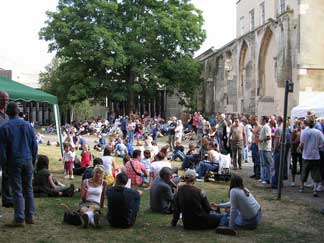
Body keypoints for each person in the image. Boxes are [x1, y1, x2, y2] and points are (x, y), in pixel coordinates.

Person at [0, 102, 38, 226]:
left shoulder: (5, 128)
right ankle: (30, 216)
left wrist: (4, 165)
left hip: (14, 161)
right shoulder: (28, 125)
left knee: (17, 190)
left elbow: (2, 150)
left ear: (7, 112)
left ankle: (19, 218)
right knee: (28, 188)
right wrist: (33, 160)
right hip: (27, 160)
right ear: (18, 112)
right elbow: (34, 145)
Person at [298, 115, 324, 197]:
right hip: (315, 155)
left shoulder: (305, 131)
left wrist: (299, 148)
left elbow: (302, 143)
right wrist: (317, 146)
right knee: (315, 172)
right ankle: (315, 190)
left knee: (304, 171)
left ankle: (302, 187)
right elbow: (322, 143)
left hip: (307, 155)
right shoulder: (318, 132)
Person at [0, 91, 13, 209]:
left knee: (6, 175)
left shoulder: (7, 116)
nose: (5, 102)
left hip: (5, 150)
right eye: (3, 99)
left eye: (7, 100)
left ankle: (7, 199)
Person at [258, 116, 273, 185]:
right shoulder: (263, 127)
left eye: (261, 119)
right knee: (263, 164)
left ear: (264, 120)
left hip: (266, 148)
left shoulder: (267, 127)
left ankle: (267, 179)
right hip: (262, 148)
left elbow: (268, 137)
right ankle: (264, 177)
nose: (260, 121)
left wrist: (261, 140)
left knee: (267, 164)